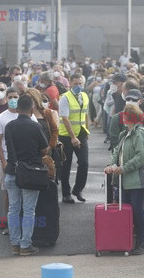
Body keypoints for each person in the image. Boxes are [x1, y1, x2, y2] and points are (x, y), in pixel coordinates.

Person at [105, 104, 144, 256]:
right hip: (125, 179)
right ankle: (127, 240)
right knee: (127, 211)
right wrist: (111, 164)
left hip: (136, 180)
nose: (123, 118)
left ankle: (141, 241)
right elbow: (116, 153)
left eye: (125, 115)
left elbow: (141, 157)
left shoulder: (140, 134)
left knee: (137, 210)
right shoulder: (125, 134)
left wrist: (123, 168)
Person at [4, 94, 49, 256]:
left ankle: (15, 244)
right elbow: (44, 150)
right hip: (30, 173)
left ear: (17, 108)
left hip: (11, 170)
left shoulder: (9, 126)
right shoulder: (35, 127)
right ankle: (25, 245)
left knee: (13, 209)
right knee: (29, 210)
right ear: (32, 109)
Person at [58, 73, 90, 204]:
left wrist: (87, 131)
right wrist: (72, 137)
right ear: (70, 83)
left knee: (84, 163)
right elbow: (65, 118)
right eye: (76, 84)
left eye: (80, 84)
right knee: (66, 165)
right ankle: (66, 193)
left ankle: (78, 189)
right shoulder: (65, 98)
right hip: (66, 135)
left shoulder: (84, 96)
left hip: (81, 133)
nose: (78, 86)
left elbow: (85, 115)